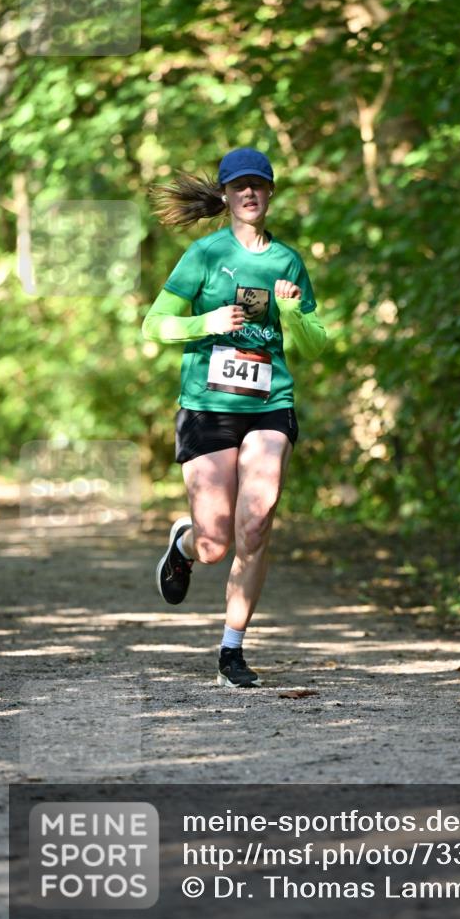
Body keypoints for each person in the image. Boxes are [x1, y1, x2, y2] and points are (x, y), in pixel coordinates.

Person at [142, 147, 326, 688]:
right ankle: (184, 544)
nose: (250, 193)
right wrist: (205, 321)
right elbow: (154, 326)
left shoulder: (288, 261)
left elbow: (314, 346)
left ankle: (232, 651)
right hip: (207, 406)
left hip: (270, 405)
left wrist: (291, 311)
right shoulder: (202, 255)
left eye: (259, 185)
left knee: (258, 519)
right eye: (239, 185)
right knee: (216, 543)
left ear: (270, 193)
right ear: (225, 195)